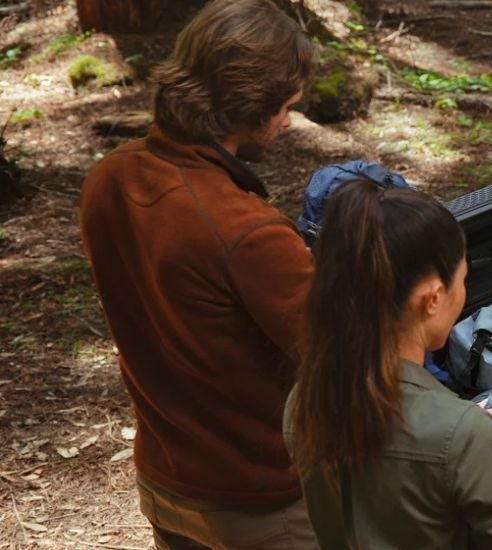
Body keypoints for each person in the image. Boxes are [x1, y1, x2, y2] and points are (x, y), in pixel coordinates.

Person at [78, 1, 317, 547]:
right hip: (256, 502)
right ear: (252, 102)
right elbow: (340, 354)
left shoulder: (109, 179)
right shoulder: (244, 229)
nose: (288, 121)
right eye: (286, 106)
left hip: (164, 478)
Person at [284, 180, 492, 549]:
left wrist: (460, 433)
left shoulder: (303, 401)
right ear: (433, 297)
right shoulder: (462, 435)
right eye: (462, 279)